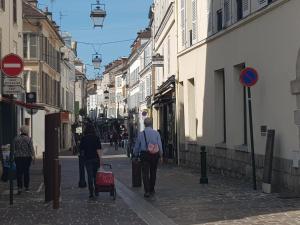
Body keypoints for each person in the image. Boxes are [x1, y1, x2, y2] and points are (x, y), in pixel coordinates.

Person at [133, 118, 163, 198]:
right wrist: (161, 155)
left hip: (144, 154)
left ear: (144, 124)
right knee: (153, 172)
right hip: (154, 154)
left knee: (145, 173)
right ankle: (152, 188)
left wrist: (135, 155)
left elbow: (137, 146)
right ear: (151, 124)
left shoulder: (141, 134)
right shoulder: (156, 133)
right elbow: (159, 145)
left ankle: (147, 191)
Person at [79, 124, 102, 198]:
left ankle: (91, 192)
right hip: (95, 159)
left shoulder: (83, 138)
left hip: (87, 159)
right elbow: (98, 150)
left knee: (89, 176)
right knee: (95, 176)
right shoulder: (96, 138)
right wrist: (100, 159)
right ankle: (96, 190)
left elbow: (81, 150)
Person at [13, 125, 35, 194]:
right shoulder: (29, 139)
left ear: (21, 131)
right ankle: (27, 187)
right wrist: (33, 157)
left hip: (18, 157)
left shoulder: (16, 138)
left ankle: (19, 188)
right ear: (27, 131)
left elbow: (14, 148)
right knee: (26, 172)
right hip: (26, 158)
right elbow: (31, 149)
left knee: (19, 172)